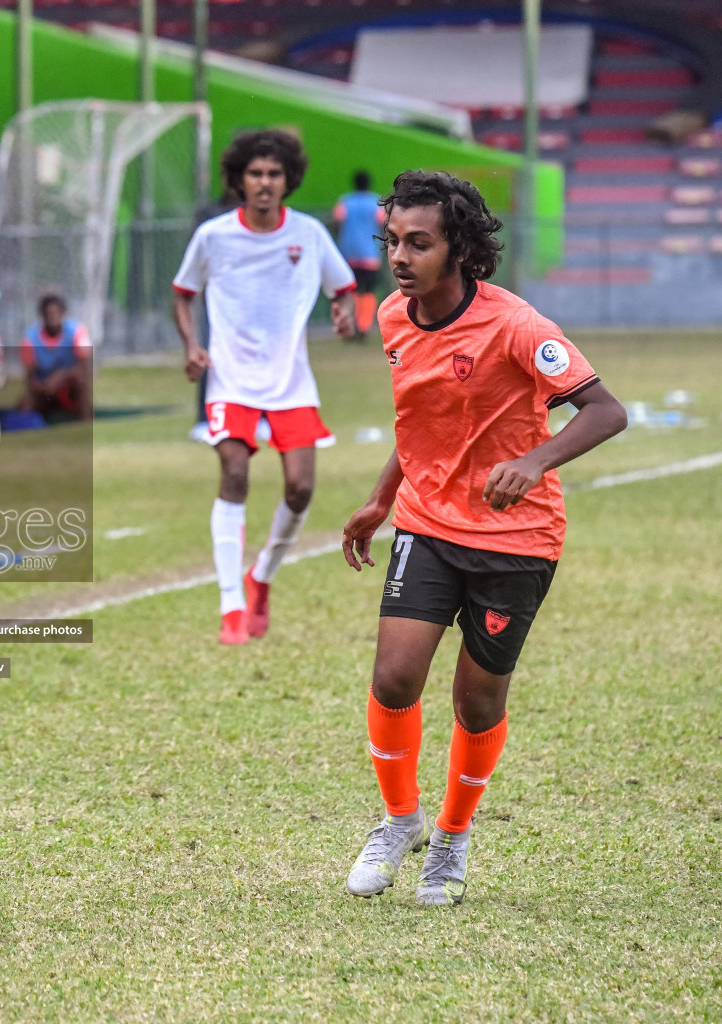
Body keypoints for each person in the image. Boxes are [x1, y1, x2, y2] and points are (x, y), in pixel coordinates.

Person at [341, 171, 626, 906]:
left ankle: (452, 838)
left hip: (516, 539)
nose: (400, 257)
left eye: (419, 243)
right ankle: (399, 820)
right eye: (393, 241)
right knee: (395, 676)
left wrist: (534, 461)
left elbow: (605, 411)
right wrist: (380, 500)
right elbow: (424, 426)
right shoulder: (394, 319)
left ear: (459, 248)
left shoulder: (518, 326)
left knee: (476, 702)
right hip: (429, 522)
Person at [171, 129, 358, 646]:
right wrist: (191, 345)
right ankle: (231, 605)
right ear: (238, 180)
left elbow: (343, 287)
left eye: (274, 174)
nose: (265, 182)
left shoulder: (310, 234)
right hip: (229, 380)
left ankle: (262, 578)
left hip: (291, 383)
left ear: (288, 180)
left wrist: (343, 316)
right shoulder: (213, 236)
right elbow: (183, 294)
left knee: (300, 489)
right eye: (255, 173)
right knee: (234, 470)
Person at [19, 294, 92, 421]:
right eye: (49, 314)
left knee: (82, 387)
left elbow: (84, 368)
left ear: (63, 314)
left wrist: (60, 377)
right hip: (44, 390)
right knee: (25, 404)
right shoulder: (30, 339)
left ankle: (86, 424)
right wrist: (45, 387)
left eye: (56, 313)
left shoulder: (77, 332)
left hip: (70, 387)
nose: (53, 317)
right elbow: (30, 378)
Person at [333, 170, 387, 339]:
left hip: (349, 253)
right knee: (369, 291)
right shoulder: (375, 202)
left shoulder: (346, 201)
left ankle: (353, 322)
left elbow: (336, 221)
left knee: (353, 291)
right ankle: (364, 326)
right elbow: (383, 223)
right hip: (370, 255)